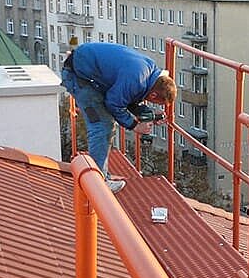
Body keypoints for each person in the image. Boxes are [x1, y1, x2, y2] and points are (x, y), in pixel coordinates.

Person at [61, 41, 177, 192]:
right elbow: (114, 103)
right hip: (79, 79)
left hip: (88, 73)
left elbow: (127, 96)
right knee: (102, 126)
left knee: (106, 125)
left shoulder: (148, 72)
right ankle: (98, 184)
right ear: (154, 94)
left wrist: (148, 114)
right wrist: (135, 126)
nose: (153, 102)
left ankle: (101, 175)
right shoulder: (137, 79)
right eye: (156, 102)